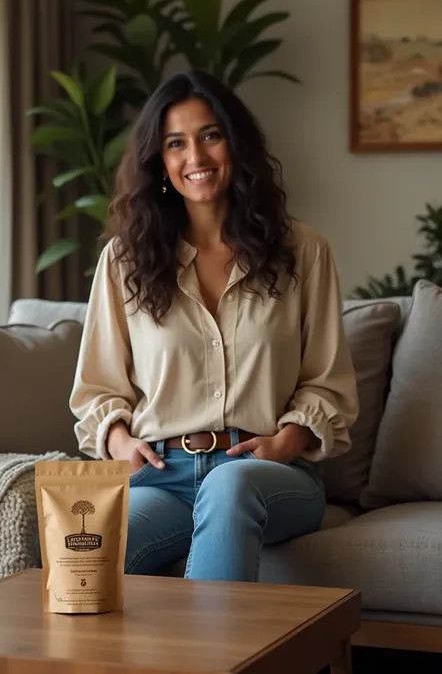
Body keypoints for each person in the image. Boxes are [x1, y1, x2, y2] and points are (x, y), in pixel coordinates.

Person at [69, 69, 358, 582]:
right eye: (175, 143)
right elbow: (97, 386)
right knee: (86, 556)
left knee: (230, 488)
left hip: (268, 472)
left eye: (210, 136)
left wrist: (286, 443)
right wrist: (117, 441)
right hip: (162, 477)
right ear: (159, 161)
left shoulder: (303, 251)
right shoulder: (124, 261)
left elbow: (328, 382)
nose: (195, 158)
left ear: (236, 145)